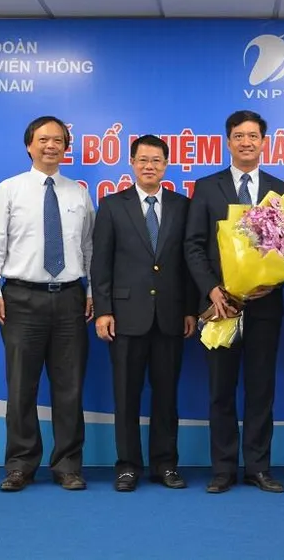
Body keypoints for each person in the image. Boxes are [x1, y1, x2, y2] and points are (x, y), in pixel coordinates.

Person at [0, 115, 95, 492]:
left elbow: (89, 247)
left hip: (70, 299)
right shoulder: (9, 190)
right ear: (29, 145)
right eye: (43, 139)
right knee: (21, 388)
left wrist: (91, 292)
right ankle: (20, 465)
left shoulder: (78, 193)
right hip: (21, 299)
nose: (51, 146)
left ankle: (68, 466)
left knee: (69, 388)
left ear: (66, 147)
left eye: (58, 140)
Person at [184, 110, 284, 494]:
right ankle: (223, 468)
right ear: (228, 142)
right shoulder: (206, 187)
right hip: (220, 307)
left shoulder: (280, 188)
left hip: (265, 306)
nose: (246, 142)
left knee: (261, 390)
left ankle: (258, 467)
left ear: (264, 142)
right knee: (221, 390)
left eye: (253, 136)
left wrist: (272, 282)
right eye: (239, 136)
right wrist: (212, 290)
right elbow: (193, 245)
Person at [91, 135, 198, 492]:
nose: (149, 166)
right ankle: (127, 466)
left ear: (166, 165)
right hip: (124, 316)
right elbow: (100, 263)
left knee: (166, 396)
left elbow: (188, 263)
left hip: (171, 315)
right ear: (132, 163)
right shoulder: (112, 205)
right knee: (126, 396)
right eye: (143, 160)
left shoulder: (183, 206)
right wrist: (103, 310)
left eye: (156, 160)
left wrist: (190, 309)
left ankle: (165, 464)